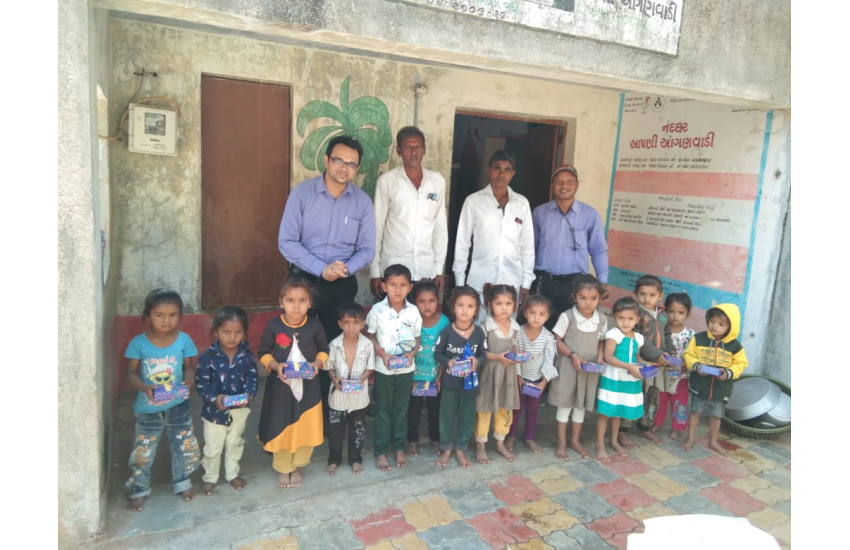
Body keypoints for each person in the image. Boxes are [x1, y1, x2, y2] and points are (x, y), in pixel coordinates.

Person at [278, 134, 376, 414]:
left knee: (336, 345)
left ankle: (330, 407)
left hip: (341, 284)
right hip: (303, 282)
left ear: (357, 169)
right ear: (326, 160)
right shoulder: (302, 194)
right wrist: (321, 268)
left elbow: (367, 249)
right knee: (299, 342)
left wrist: (343, 268)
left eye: (351, 164)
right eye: (339, 161)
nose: (344, 168)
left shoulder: (362, 202)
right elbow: (286, 242)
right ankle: (298, 407)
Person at [124, 289, 201, 512]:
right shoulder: (138, 343)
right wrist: (144, 387)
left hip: (178, 405)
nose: (167, 321)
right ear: (147, 316)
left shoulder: (184, 340)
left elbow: (188, 367)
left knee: (184, 444)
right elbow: (130, 373)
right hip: (148, 409)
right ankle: (139, 488)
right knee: (143, 450)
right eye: (159, 315)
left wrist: (189, 380)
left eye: (173, 315)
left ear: (180, 316)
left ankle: (182, 482)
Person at [257, 279, 329, 489]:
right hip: (280, 387)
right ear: (281, 302)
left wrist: (317, 364)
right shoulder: (274, 325)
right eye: (290, 300)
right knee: (281, 424)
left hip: (309, 386)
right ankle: (283, 467)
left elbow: (324, 349)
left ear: (309, 303)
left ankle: (297, 465)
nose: (296, 306)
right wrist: (276, 366)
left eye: (302, 300)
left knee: (305, 426)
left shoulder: (314, 325)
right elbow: (263, 353)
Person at [453, 150, 535, 321]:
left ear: (513, 174)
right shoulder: (473, 201)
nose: (501, 174)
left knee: (507, 329)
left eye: (507, 170)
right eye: (497, 168)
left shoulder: (521, 203)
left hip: (512, 282)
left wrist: (527, 283)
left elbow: (527, 246)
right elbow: (462, 243)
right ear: (488, 170)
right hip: (479, 281)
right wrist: (460, 283)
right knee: (478, 328)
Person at [370, 127, 448, 299]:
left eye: (418, 147)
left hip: (426, 271)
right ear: (399, 151)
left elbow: (440, 229)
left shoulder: (437, 182)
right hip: (393, 272)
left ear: (424, 149)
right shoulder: (387, 181)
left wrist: (438, 269)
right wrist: (374, 271)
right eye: (408, 147)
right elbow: (377, 227)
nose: (414, 152)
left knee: (422, 316)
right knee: (392, 316)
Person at [531, 165, 609, 330]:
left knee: (573, 330)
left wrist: (602, 281)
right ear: (553, 185)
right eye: (559, 182)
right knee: (540, 329)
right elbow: (529, 249)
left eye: (569, 182)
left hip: (576, 285)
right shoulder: (539, 213)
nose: (564, 186)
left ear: (577, 184)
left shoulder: (590, 214)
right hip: (544, 283)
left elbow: (598, 250)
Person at [365, 264, 422, 472]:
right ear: (383, 286)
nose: (397, 290)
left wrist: (412, 353)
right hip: (384, 368)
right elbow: (370, 335)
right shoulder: (377, 311)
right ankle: (381, 451)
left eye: (403, 285)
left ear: (410, 287)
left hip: (406, 369)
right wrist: (382, 354)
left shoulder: (413, 311)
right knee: (383, 409)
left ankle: (398, 447)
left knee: (401, 409)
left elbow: (417, 338)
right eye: (392, 284)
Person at [196, 306, 258, 495]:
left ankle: (232, 474)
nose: (232, 337)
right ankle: (210, 477)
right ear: (216, 331)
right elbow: (201, 384)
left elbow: (252, 379)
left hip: (239, 411)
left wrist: (248, 395)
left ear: (244, 333)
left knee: (235, 443)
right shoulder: (208, 357)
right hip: (213, 413)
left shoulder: (247, 356)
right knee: (212, 447)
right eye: (226, 332)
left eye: (238, 332)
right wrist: (214, 398)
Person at [548, 274, 607, 461]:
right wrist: (572, 355)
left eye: (593, 298)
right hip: (568, 366)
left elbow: (601, 341)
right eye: (583, 298)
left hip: (588, 369)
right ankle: (561, 442)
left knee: (580, 405)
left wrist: (599, 358)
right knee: (565, 405)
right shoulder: (568, 316)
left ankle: (574, 440)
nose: (588, 303)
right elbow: (557, 340)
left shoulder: (602, 319)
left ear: (600, 298)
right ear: (574, 297)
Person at [682, 304, 749, 456]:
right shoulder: (698, 339)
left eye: (721, 324)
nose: (714, 326)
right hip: (700, 386)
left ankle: (713, 441)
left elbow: (741, 364)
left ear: (731, 327)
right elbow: (688, 355)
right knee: (695, 412)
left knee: (716, 417)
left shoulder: (735, 346)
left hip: (720, 389)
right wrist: (697, 365)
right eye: (712, 321)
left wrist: (729, 372)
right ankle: (690, 438)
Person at [434, 286, 487, 469]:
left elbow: (484, 356)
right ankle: (447, 448)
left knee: (467, 418)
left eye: (470, 306)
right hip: (450, 384)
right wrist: (448, 362)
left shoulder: (478, 333)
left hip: (470, 385)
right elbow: (437, 354)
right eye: (460, 305)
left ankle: (461, 449)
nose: (465, 310)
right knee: (446, 417)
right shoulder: (447, 332)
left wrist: (476, 361)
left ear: (476, 310)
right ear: (453, 308)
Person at [324, 303, 374, 476]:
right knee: (335, 429)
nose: (351, 326)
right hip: (338, 394)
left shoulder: (367, 345)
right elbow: (329, 366)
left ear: (362, 324)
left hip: (359, 396)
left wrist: (361, 379)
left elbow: (370, 367)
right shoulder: (334, 344)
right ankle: (334, 460)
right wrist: (334, 379)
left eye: (355, 322)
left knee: (358, 428)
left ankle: (355, 459)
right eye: (347, 322)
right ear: (340, 324)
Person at [475, 284, 521, 464]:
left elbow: (515, 347)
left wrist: (517, 357)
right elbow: (479, 353)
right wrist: (496, 357)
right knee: (485, 409)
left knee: (505, 408)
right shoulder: (485, 326)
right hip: (489, 374)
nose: (504, 308)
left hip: (508, 375)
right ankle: (480, 444)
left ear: (514, 305)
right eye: (499, 303)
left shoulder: (515, 326)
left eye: (508, 304)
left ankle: (500, 442)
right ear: (490, 304)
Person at [506, 294, 558, 455]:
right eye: (532, 313)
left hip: (537, 382)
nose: (537, 318)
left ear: (547, 316)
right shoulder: (518, 333)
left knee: (532, 410)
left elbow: (549, 360)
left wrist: (543, 382)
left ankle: (529, 437)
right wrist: (519, 378)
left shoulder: (548, 337)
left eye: (542, 314)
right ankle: (511, 436)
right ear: (525, 313)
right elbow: (516, 357)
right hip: (519, 380)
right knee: (516, 409)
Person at [596, 297, 645, 463]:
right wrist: (629, 366)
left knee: (618, 411)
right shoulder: (613, 334)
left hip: (629, 380)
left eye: (630, 318)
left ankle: (614, 440)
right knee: (605, 412)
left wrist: (645, 365)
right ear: (614, 317)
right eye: (621, 318)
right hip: (613, 379)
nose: (625, 322)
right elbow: (608, 357)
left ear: (637, 319)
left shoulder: (638, 338)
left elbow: (636, 356)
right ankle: (600, 443)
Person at [632, 275, 678, 444]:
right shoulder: (634, 313)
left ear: (660, 295)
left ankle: (645, 426)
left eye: (652, 295)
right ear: (636, 293)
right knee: (634, 394)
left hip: (658, 365)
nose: (647, 298)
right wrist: (657, 354)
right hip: (640, 364)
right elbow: (638, 338)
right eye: (642, 294)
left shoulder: (663, 314)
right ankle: (622, 429)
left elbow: (667, 335)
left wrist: (670, 353)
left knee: (652, 396)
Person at [406, 281, 450, 457]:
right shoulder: (411, 320)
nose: (427, 305)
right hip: (414, 377)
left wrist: (439, 377)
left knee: (435, 410)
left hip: (435, 378)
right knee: (413, 411)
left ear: (437, 300)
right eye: (421, 301)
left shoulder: (444, 322)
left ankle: (435, 438)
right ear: (415, 302)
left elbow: (446, 352)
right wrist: (408, 377)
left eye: (431, 300)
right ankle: (412, 440)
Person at [654, 293, 695, 441]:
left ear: (688, 314)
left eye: (681, 312)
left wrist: (683, 365)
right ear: (665, 311)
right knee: (659, 401)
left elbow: (692, 355)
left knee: (680, 402)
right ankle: (656, 423)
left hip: (681, 377)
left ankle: (676, 428)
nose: (675, 316)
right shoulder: (660, 330)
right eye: (671, 311)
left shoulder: (690, 334)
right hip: (661, 374)